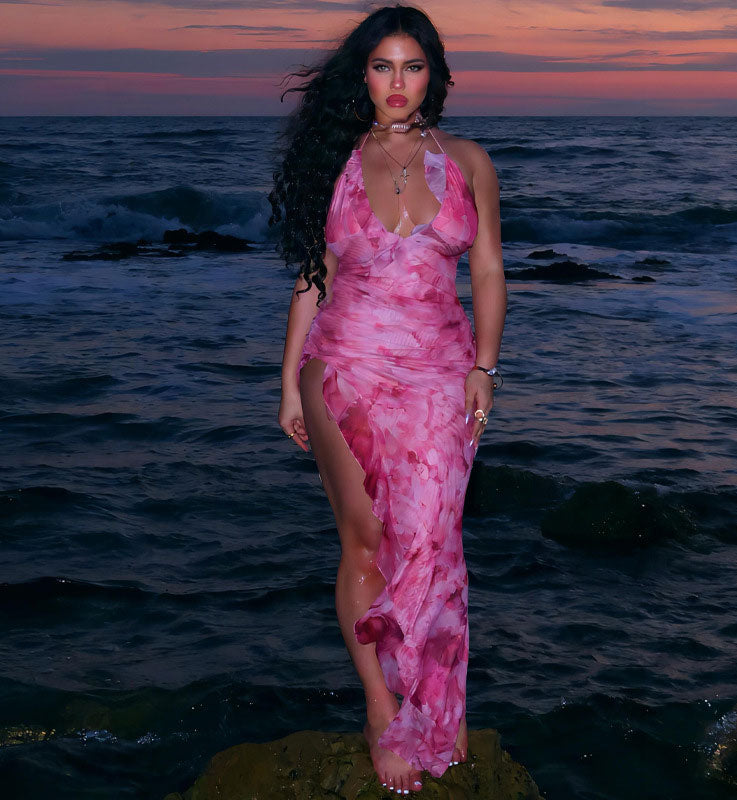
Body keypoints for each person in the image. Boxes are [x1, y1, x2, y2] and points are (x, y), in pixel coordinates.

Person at [270, 4, 506, 795]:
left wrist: (485, 367)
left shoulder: (469, 160)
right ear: (362, 75)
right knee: (365, 542)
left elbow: (487, 272)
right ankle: (381, 707)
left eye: (412, 66)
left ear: (433, 73)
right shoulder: (333, 160)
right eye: (382, 66)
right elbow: (314, 278)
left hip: (442, 376)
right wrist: (286, 385)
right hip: (343, 369)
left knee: (436, 544)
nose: (397, 83)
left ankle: (439, 699)